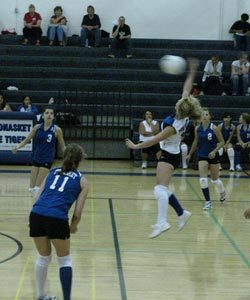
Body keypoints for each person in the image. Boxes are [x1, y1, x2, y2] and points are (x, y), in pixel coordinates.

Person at [126, 58, 202, 238]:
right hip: (172, 153)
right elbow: (186, 88)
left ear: (179, 108)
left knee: (159, 189)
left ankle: (162, 222)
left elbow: (154, 140)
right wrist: (192, 70)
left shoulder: (172, 126)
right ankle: (182, 213)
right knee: (163, 188)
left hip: (169, 154)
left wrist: (136, 145)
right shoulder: (183, 113)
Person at [29, 144, 89, 300]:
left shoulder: (52, 172)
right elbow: (77, 213)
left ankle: (41, 295)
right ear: (80, 160)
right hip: (57, 217)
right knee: (64, 260)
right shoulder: (82, 181)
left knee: (43, 257)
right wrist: (73, 227)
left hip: (36, 214)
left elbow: (36, 197)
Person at [12, 106, 65, 195]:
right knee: (31, 188)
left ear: (53, 117)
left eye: (51, 113)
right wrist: (17, 147)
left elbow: (62, 146)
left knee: (37, 188)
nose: (49, 115)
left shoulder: (57, 130)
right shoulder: (37, 127)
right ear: (43, 116)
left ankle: (38, 207)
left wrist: (69, 157)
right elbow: (27, 140)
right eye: (47, 113)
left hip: (47, 159)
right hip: (36, 157)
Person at [187, 108, 226, 210]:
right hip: (202, 155)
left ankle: (222, 192)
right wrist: (190, 154)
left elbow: (222, 142)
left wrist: (214, 151)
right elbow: (195, 142)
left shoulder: (214, 128)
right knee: (203, 179)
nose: (204, 116)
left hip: (213, 155)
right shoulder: (197, 128)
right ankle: (208, 202)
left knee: (215, 180)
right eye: (202, 115)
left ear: (210, 117)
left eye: (206, 114)